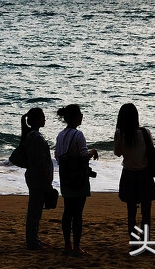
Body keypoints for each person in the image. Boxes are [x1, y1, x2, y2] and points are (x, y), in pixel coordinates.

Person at [55, 104, 98, 256]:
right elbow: (84, 155)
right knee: (78, 214)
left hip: (65, 177)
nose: (82, 116)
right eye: (80, 114)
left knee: (67, 212)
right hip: (79, 178)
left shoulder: (60, 135)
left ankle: (67, 245)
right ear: (74, 117)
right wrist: (93, 151)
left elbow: (57, 156)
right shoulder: (78, 135)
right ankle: (77, 247)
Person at [114, 103, 155, 242]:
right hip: (145, 174)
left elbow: (117, 153)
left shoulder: (120, 133)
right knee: (146, 213)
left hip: (128, 175)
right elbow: (150, 152)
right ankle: (145, 242)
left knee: (131, 213)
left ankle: (134, 243)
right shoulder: (145, 132)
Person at [19, 107, 54, 251]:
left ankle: (34, 240)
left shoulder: (30, 136)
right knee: (35, 211)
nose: (44, 119)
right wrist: (47, 181)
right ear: (37, 120)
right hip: (38, 178)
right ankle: (33, 242)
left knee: (35, 209)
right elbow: (40, 162)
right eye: (42, 117)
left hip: (33, 176)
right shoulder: (37, 138)